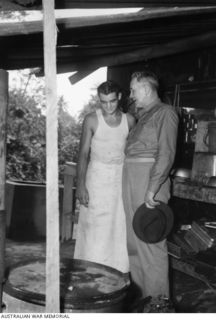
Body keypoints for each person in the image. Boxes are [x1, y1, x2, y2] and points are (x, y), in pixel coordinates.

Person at [122, 71, 179, 299]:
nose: (131, 95)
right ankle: (141, 297)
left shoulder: (166, 113)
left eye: (133, 90)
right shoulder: (144, 115)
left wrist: (153, 188)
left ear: (146, 89)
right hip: (131, 176)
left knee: (150, 241)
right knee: (133, 243)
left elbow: (166, 154)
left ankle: (157, 303)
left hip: (148, 180)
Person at [74, 80, 135, 273]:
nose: (108, 106)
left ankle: (116, 274)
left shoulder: (130, 120)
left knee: (118, 226)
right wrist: (81, 185)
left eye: (112, 101)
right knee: (94, 227)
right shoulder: (92, 119)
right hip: (97, 178)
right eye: (103, 102)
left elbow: (133, 154)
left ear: (119, 98)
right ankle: (88, 271)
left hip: (119, 179)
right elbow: (83, 154)